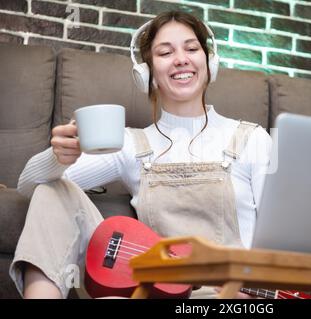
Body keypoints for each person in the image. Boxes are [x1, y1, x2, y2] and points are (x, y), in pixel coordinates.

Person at [9, 11, 272, 299]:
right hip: (155, 291)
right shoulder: (131, 144)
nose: (181, 59)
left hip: (230, 296)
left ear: (210, 63)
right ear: (146, 74)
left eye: (192, 48)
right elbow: (29, 186)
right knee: (52, 190)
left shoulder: (252, 139)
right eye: (165, 52)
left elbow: (281, 239)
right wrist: (58, 157)